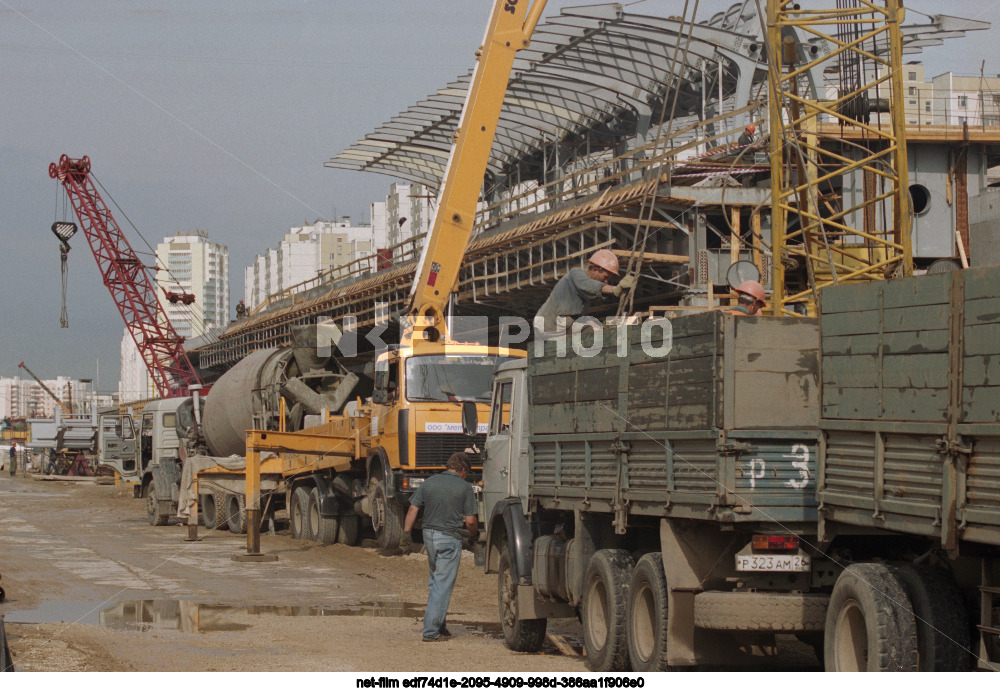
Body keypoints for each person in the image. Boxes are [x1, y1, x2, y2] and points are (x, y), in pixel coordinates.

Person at [403, 452, 479, 642]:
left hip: (429, 536)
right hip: (449, 538)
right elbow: (470, 521)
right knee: (443, 584)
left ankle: (440, 623)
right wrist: (474, 535)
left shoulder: (429, 482)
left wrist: (406, 534)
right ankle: (430, 631)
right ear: (463, 470)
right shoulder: (464, 487)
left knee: (437, 580)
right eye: (466, 474)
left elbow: (412, 509)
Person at [533, 249, 634, 337]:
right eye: (605, 277)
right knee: (590, 330)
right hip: (548, 325)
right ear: (595, 270)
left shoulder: (584, 289)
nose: (606, 281)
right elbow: (588, 286)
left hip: (561, 325)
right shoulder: (576, 274)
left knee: (592, 325)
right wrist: (615, 289)